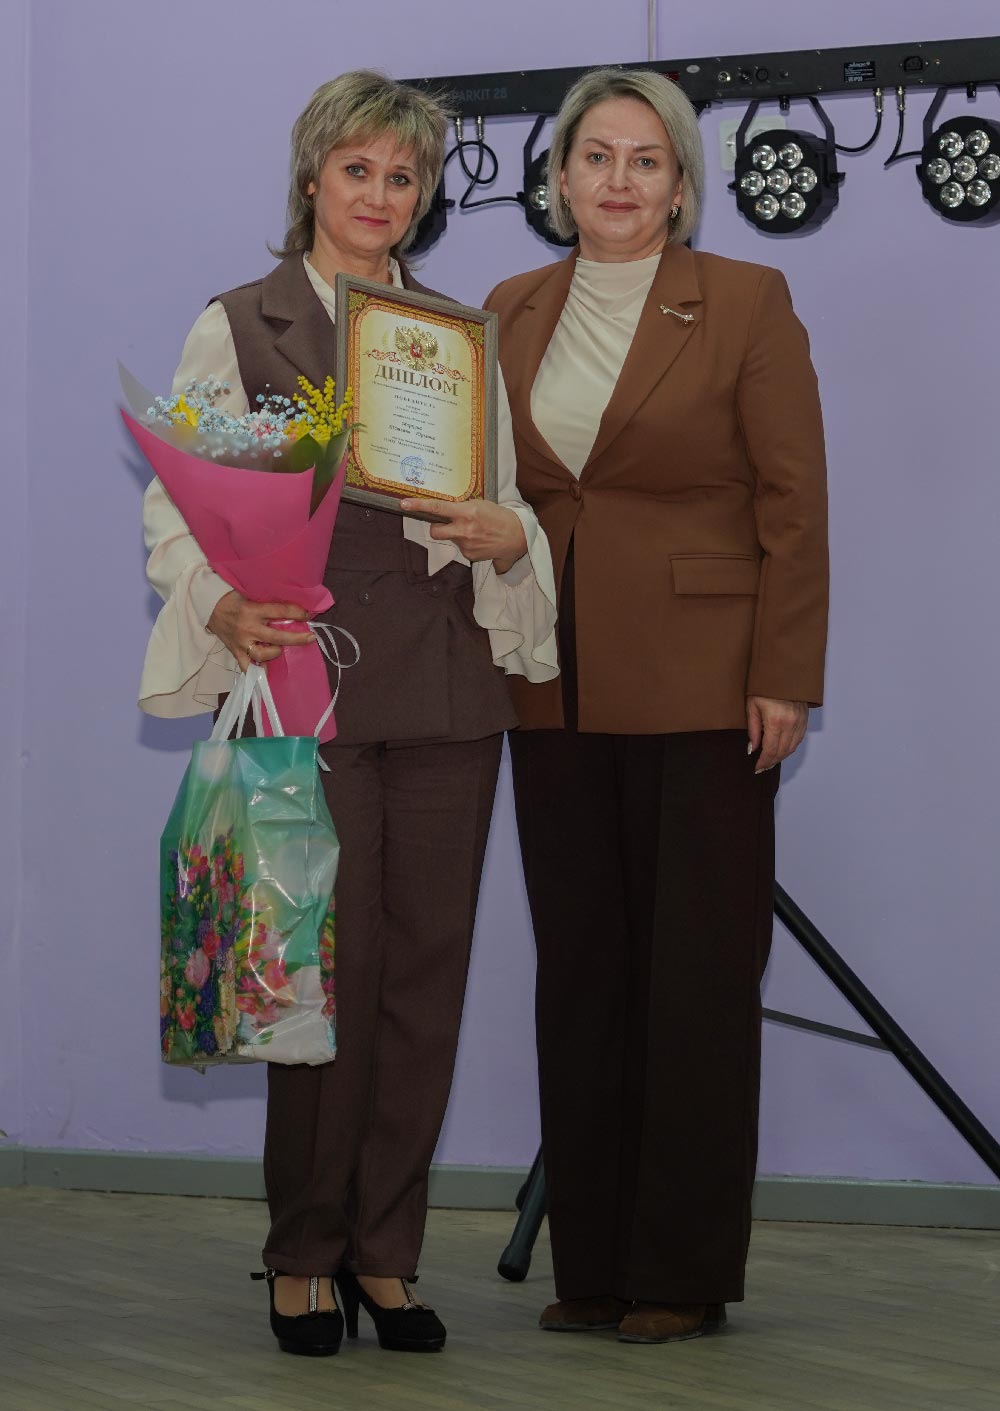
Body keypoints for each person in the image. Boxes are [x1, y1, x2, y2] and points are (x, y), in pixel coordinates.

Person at [140, 69, 557, 1357]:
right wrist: (219, 605)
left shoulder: (455, 336)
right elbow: (177, 505)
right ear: (313, 177)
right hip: (306, 680)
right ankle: (302, 1253)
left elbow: (504, 502)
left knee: (425, 977)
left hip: (443, 681)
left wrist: (507, 535)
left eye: (404, 175)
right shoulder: (241, 323)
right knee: (319, 977)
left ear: (424, 197)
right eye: (359, 169)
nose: (381, 194)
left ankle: (386, 1253)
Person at [485, 66, 829, 1345]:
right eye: (596, 156)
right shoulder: (506, 309)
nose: (618, 179)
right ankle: (593, 1261)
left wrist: (785, 671)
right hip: (550, 678)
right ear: (559, 177)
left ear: (680, 186)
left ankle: (680, 1270)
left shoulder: (746, 299)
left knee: (694, 980)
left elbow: (794, 501)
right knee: (580, 974)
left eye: (645, 159)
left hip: (707, 682)